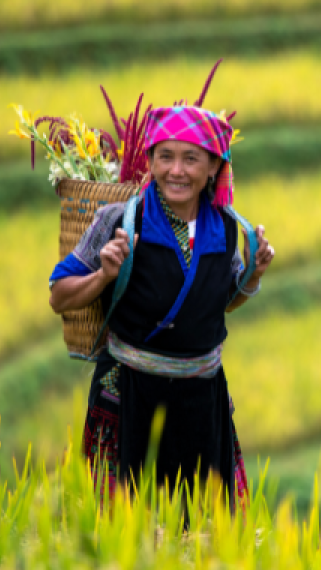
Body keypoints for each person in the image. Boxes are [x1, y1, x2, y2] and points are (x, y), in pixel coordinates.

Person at [47, 105, 274, 504]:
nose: (177, 170)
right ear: (149, 162)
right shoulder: (118, 220)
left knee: (201, 532)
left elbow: (221, 303)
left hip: (202, 401)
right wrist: (103, 275)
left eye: (191, 159)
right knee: (123, 529)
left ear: (213, 169)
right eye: (165, 156)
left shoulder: (224, 226)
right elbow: (58, 295)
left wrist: (252, 273)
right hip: (129, 394)